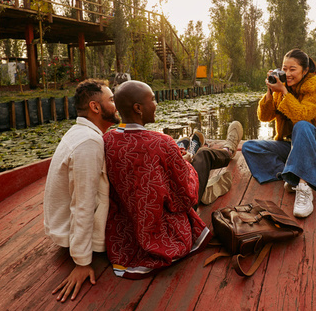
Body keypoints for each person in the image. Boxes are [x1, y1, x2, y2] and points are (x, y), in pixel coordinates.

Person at [104, 80, 242, 279]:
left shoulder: (108, 139)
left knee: (182, 150)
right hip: (161, 227)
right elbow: (186, 197)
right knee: (202, 156)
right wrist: (186, 165)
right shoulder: (160, 143)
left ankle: (192, 149)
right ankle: (226, 152)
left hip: (127, 230)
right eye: (152, 99)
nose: (156, 104)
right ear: (138, 108)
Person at [43, 79, 120, 302]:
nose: (116, 105)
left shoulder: (81, 133)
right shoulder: (88, 143)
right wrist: (82, 262)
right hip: (75, 238)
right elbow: (83, 204)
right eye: (112, 100)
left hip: (67, 229)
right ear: (96, 107)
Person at [241, 48, 316, 218]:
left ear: (305, 70)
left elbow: (302, 116)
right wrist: (270, 92)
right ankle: (290, 175)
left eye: (293, 69)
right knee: (249, 147)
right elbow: (264, 117)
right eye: (284, 69)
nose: (288, 73)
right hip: (293, 147)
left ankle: (304, 187)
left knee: (302, 126)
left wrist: (284, 93)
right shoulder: (281, 87)